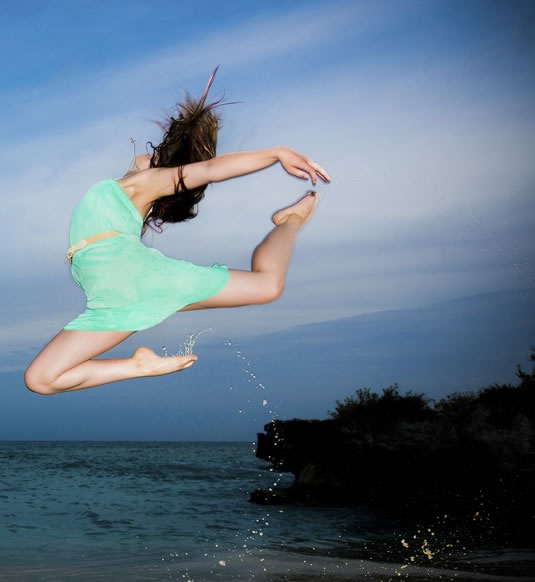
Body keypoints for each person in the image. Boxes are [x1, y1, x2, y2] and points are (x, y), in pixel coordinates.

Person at [24, 69, 330, 395]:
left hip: (135, 281)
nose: (145, 152)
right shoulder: (130, 193)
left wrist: (275, 153)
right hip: (114, 299)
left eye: (154, 155)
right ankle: (138, 366)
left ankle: (292, 219)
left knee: (268, 285)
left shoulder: (145, 183)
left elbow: (212, 169)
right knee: (41, 380)